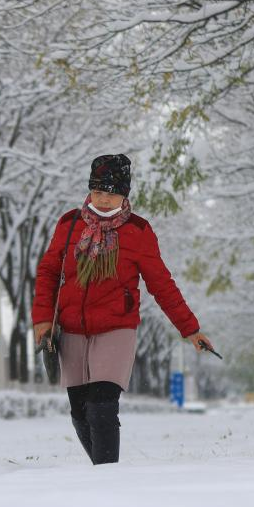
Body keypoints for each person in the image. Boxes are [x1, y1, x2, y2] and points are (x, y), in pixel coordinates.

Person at [32, 153, 214, 465]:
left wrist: (190, 328)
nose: (103, 200)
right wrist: (42, 322)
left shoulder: (138, 231)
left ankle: (108, 478)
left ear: (124, 195)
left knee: (102, 406)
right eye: (98, 192)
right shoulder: (68, 224)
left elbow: (161, 284)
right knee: (79, 408)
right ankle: (101, 469)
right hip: (72, 327)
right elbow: (48, 272)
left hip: (117, 328)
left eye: (111, 193)